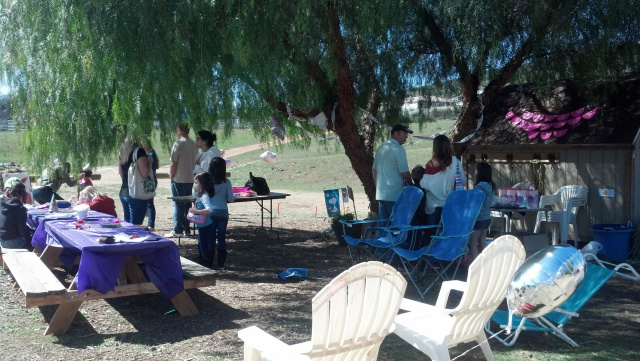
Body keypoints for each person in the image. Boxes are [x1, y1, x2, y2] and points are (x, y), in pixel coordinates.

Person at [419, 134, 465, 238]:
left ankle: (428, 252)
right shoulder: (456, 162)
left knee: (430, 233)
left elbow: (424, 184)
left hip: (433, 204)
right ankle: (445, 253)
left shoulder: (430, 164)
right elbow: (463, 181)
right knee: (448, 232)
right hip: (450, 203)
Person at [372, 124, 414, 222]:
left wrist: (378, 187)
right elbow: (405, 173)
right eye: (404, 133)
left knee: (382, 225)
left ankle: (380, 238)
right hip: (394, 194)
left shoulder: (381, 148)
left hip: (381, 194)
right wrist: (412, 186)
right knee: (395, 225)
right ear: (396, 133)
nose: (406, 136)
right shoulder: (398, 149)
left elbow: (374, 170)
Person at [165, 123, 198, 238]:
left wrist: (171, 176)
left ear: (180, 130)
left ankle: (177, 229)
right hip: (190, 178)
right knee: (187, 203)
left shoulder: (178, 143)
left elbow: (174, 162)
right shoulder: (194, 144)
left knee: (177, 205)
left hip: (179, 178)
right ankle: (186, 229)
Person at [205, 157, 234, 270]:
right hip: (222, 212)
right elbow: (230, 199)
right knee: (221, 237)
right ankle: (221, 264)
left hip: (210, 212)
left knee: (211, 238)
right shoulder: (226, 182)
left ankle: (209, 262)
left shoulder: (206, 182)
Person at [467, 162, 494, 264]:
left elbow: (474, 203)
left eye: (476, 170)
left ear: (480, 173)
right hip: (487, 217)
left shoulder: (478, 187)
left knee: (473, 242)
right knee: (482, 241)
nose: (475, 172)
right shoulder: (490, 185)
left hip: (479, 217)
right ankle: (485, 263)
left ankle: (476, 265)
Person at [118, 139, 150, 225]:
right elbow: (145, 173)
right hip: (136, 193)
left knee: (127, 224)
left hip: (124, 192)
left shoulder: (122, 152)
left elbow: (121, 173)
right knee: (136, 226)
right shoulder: (139, 151)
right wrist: (149, 162)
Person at [189, 172, 215, 267]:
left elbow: (209, 209)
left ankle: (207, 264)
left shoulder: (205, 196)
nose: (194, 185)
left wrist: (196, 211)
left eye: (196, 182)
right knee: (201, 245)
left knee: (203, 246)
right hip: (202, 225)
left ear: (203, 184)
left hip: (206, 225)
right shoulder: (201, 195)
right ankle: (203, 261)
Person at [0, 182, 31, 249]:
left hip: (2, 240)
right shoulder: (20, 209)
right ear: (24, 194)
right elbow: (22, 230)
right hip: (13, 242)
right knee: (36, 242)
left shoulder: (3, 204)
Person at [143, 144, 159, 232]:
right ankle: (150, 223)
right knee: (149, 203)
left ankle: (151, 225)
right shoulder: (151, 155)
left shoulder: (150, 156)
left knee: (149, 203)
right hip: (151, 180)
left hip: (149, 181)